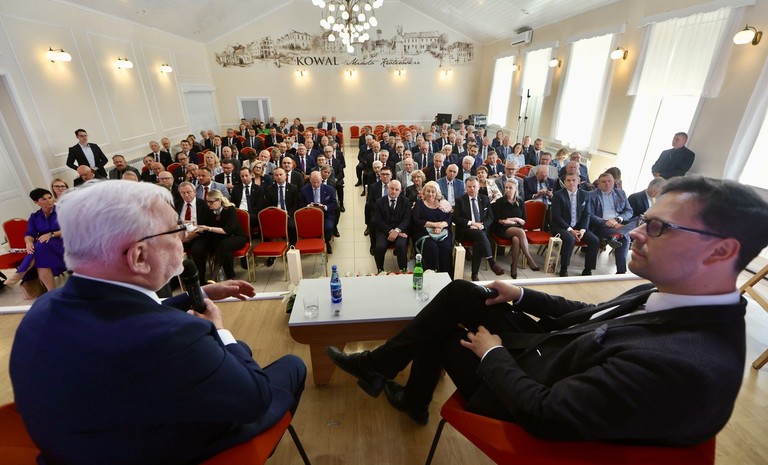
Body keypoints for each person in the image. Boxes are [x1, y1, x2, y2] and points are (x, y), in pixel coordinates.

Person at [326, 175, 768, 445]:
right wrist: (522, 295)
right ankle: (382, 370)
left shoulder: (687, 365)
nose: (635, 232)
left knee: (442, 328)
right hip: (550, 350)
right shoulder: (668, 292)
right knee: (461, 293)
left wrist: (493, 354)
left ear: (720, 251)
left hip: (525, 391)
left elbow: (545, 413)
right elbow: (588, 316)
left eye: (656, 226)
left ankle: (399, 386)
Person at [10, 180, 306, 465]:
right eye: (176, 231)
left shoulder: (43, 308)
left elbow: (121, 316)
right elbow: (256, 399)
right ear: (139, 256)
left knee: (236, 351)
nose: (184, 239)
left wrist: (198, 295)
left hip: (76, 444)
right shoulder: (174, 336)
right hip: (165, 452)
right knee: (289, 365)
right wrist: (220, 330)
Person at [5, 188, 67, 289]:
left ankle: (21, 273)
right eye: (44, 199)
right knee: (40, 252)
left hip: (64, 242)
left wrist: (52, 234)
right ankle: (51, 291)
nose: (49, 200)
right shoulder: (34, 217)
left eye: (50, 197)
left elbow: (72, 229)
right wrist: (28, 243)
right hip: (45, 246)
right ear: (36, 202)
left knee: (40, 247)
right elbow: (29, 233)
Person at [190, 189, 248, 284]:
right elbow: (205, 225)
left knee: (223, 245)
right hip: (220, 238)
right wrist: (197, 227)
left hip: (236, 237)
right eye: (207, 201)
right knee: (225, 249)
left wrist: (208, 228)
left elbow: (228, 230)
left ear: (219, 200)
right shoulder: (209, 211)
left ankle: (213, 276)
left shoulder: (230, 210)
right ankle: (230, 278)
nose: (208, 204)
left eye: (211, 202)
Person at [454, 177, 505, 281]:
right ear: (466, 188)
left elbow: (490, 217)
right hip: (466, 230)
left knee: (478, 241)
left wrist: (481, 225)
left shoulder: (485, 199)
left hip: (481, 230)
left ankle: (474, 274)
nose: (472, 189)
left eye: (474, 186)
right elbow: (456, 218)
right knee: (480, 235)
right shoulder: (460, 200)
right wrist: (471, 223)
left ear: (478, 187)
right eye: (469, 187)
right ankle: (491, 262)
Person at [550, 173, 600, 277]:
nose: (571, 183)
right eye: (568, 180)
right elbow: (557, 216)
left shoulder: (585, 195)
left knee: (595, 240)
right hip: (561, 227)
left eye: (574, 180)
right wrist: (570, 230)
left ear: (578, 181)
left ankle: (588, 269)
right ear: (564, 182)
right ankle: (564, 268)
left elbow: (587, 215)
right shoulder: (558, 195)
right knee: (570, 239)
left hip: (579, 227)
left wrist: (582, 230)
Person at [490, 180, 539, 278]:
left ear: (516, 189)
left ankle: (514, 266)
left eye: (510, 188)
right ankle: (528, 257)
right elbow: (498, 220)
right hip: (502, 229)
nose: (507, 190)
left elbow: (524, 220)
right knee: (520, 232)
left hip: (516, 228)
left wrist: (509, 220)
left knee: (516, 239)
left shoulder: (520, 202)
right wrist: (516, 219)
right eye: (506, 187)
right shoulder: (499, 202)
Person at [588, 172, 634, 274]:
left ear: (614, 182)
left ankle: (617, 235)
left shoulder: (621, 193)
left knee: (640, 219)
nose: (607, 184)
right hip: (602, 226)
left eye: (609, 181)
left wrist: (617, 220)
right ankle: (621, 272)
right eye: (603, 182)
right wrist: (607, 222)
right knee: (625, 238)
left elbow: (629, 211)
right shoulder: (591, 195)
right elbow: (590, 215)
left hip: (618, 223)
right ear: (598, 183)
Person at [412, 181, 453, 273]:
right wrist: (435, 225)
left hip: (442, 232)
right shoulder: (419, 204)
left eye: (433, 191)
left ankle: (445, 274)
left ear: (437, 193)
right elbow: (416, 221)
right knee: (431, 247)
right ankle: (430, 274)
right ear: (424, 192)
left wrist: (440, 226)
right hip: (424, 232)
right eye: (428, 191)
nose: (430, 194)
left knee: (445, 246)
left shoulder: (443, 204)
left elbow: (449, 218)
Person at [372, 180, 410, 273]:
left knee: (400, 246)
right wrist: (390, 231)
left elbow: (407, 219)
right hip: (384, 230)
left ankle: (403, 270)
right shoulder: (379, 202)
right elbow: (378, 220)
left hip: (400, 231)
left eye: (396, 190)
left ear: (400, 191)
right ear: (388, 189)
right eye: (392, 189)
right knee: (379, 247)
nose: (393, 191)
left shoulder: (406, 201)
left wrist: (396, 231)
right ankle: (380, 269)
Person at [299, 171, 338, 254]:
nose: (316, 185)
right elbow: (300, 203)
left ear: (321, 180)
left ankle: (326, 241)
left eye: (318, 182)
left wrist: (325, 207)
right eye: (314, 182)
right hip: (309, 215)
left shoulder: (329, 189)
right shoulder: (304, 190)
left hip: (325, 214)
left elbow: (334, 203)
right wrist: (308, 206)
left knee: (328, 227)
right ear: (310, 180)